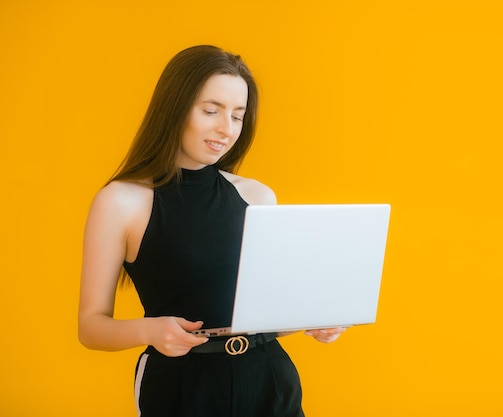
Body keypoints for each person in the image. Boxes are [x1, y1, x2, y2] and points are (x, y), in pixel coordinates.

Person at [78, 45, 345, 417]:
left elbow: (262, 319)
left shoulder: (257, 196)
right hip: (183, 386)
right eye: (211, 111)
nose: (226, 129)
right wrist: (150, 331)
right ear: (175, 108)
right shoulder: (122, 201)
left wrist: (311, 320)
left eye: (238, 116)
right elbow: (91, 327)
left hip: (269, 379)